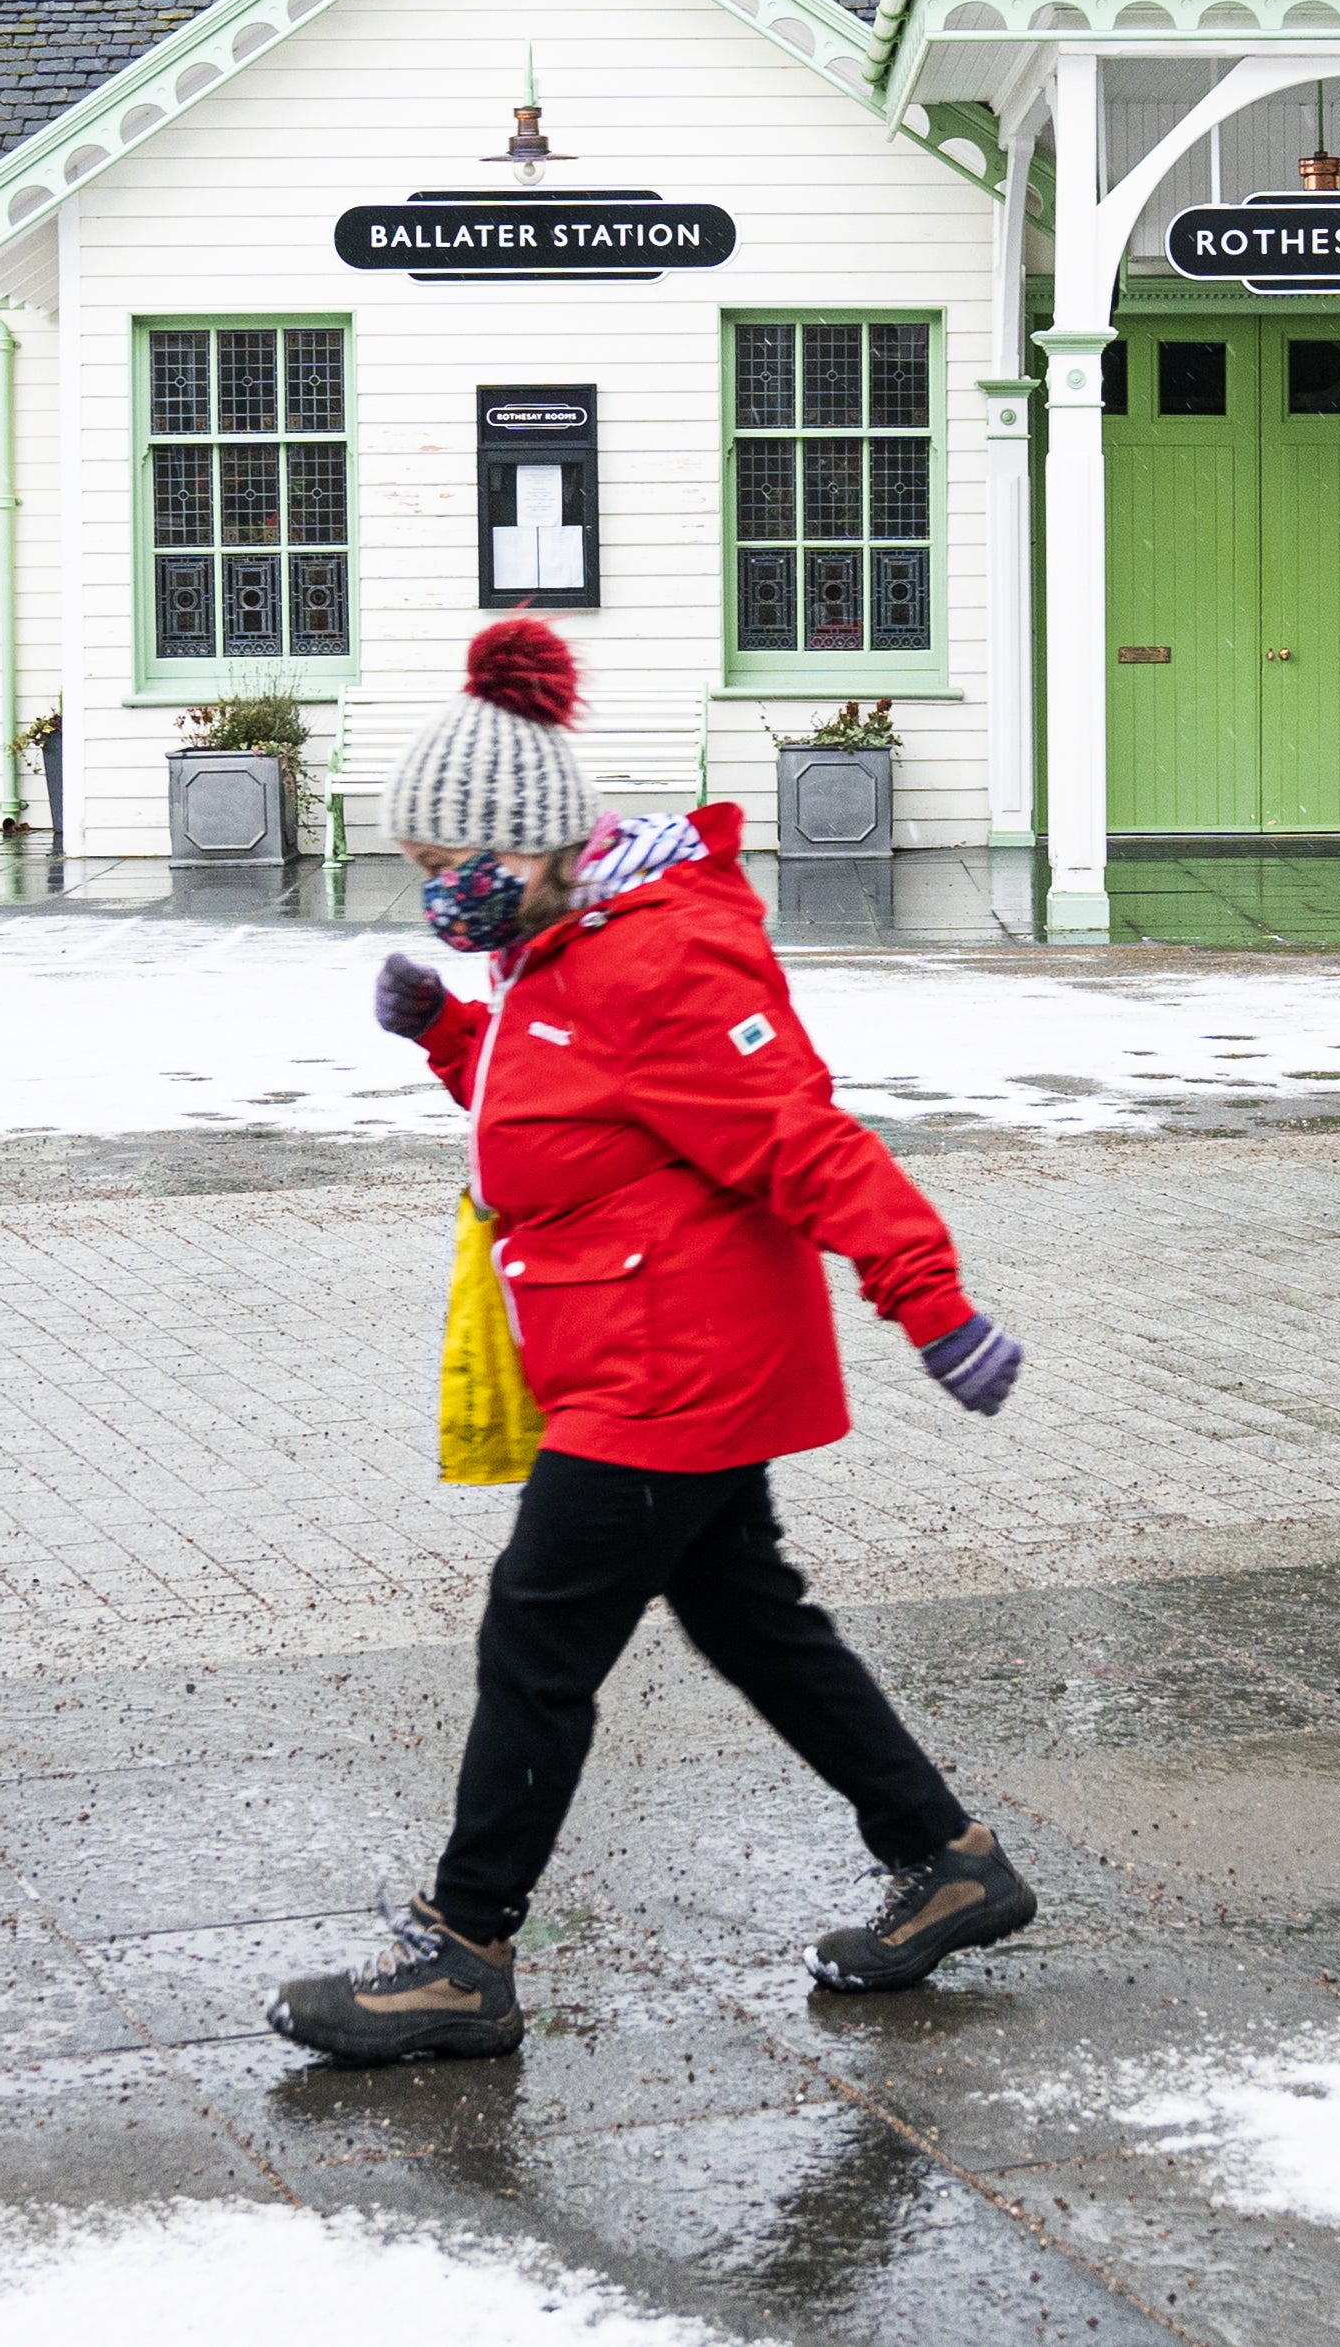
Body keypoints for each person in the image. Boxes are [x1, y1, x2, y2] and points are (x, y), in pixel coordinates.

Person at [272, 616, 1038, 2067]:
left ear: (547, 843)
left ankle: (462, 1952)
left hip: (667, 1369)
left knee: (538, 1639)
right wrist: (448, 1038)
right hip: (639, 1346)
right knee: (751, 1616)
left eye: (456, 864)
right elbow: (581, 1135)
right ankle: (948, 1860)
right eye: (423, 869)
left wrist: (927, 1298)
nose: (440, 891)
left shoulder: (661, 962)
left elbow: (798, 1137)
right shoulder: (555, 952)